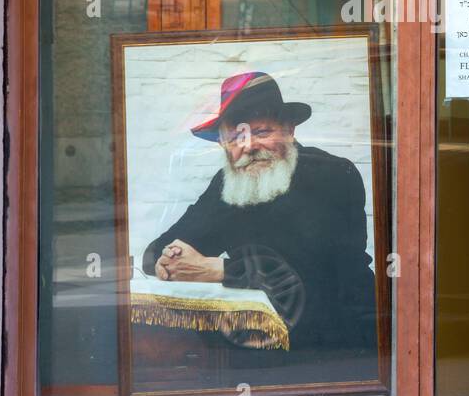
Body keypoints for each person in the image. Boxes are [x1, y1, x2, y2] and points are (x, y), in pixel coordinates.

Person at [142, 71, 378, 359]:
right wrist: (169, 260)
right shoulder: (227, 183)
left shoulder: (330, 173)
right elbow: (158, 250)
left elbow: (310, 272)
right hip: (255, 345)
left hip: (337, 345)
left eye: (262, 132)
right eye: (235, 137)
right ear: (222, 143)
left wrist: (218, 270)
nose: (248, 146)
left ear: (289, 130)